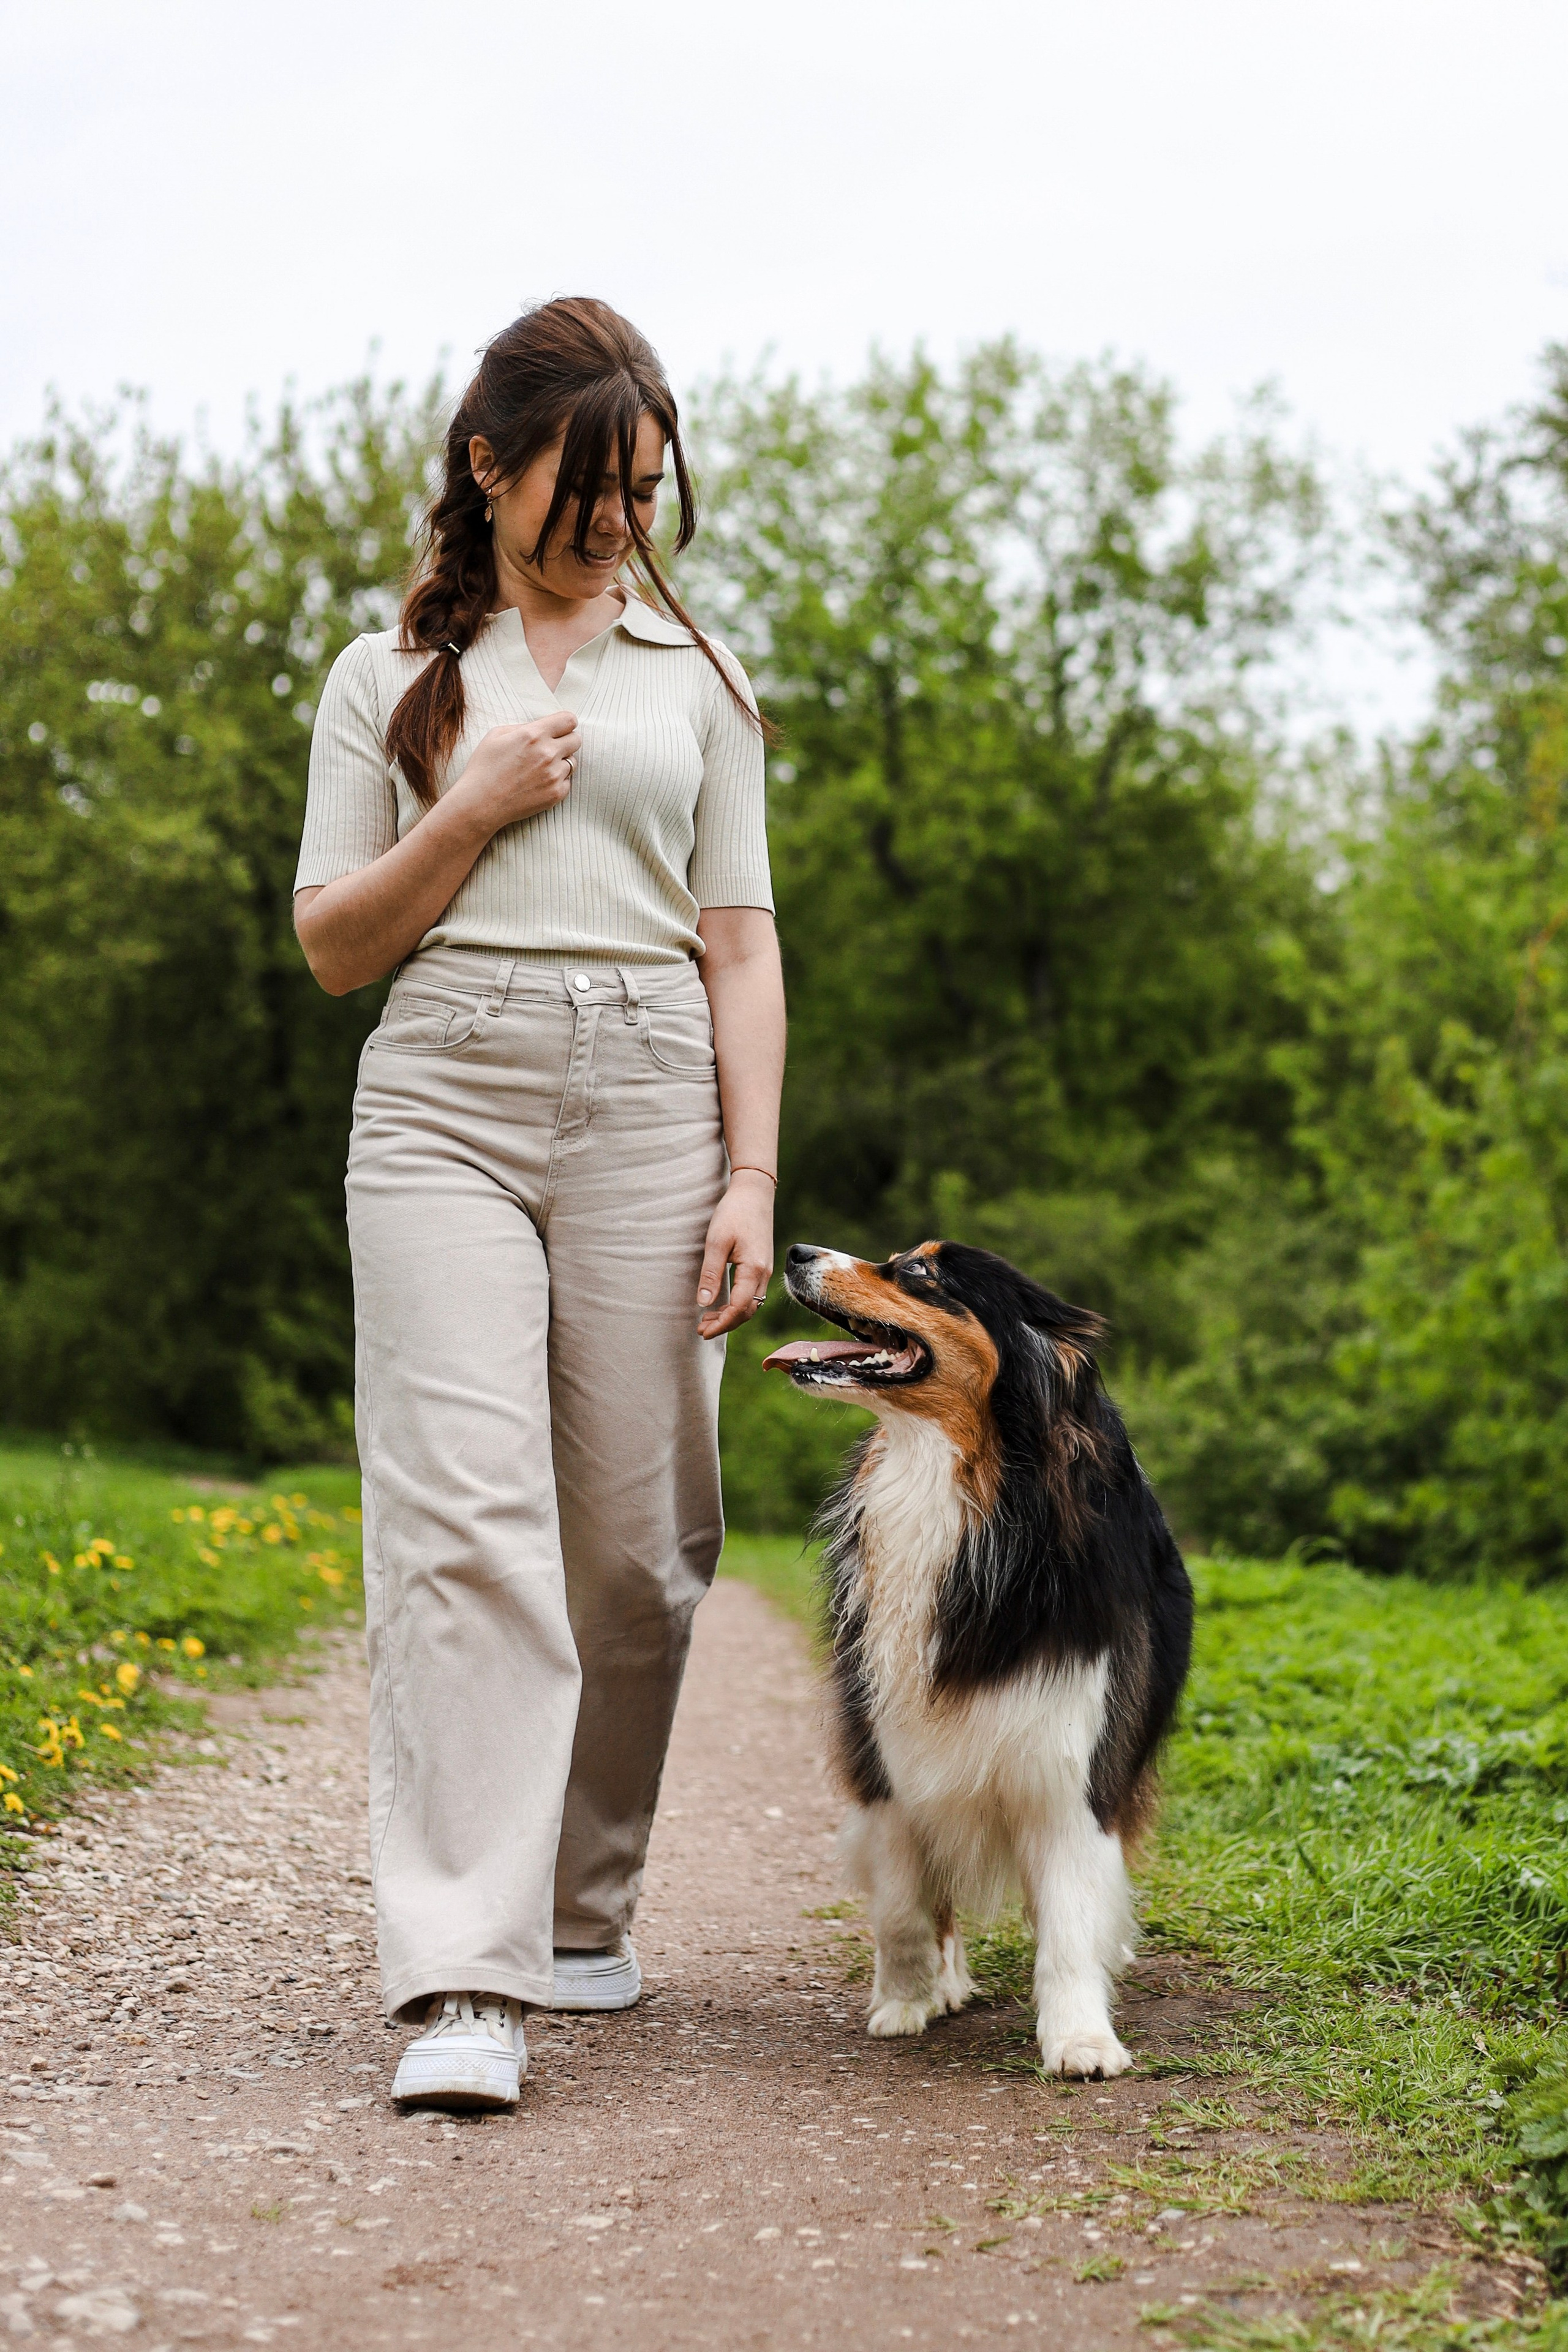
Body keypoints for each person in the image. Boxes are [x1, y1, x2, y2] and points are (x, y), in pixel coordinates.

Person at [292, 298, 784, 2109]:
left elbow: (742, 945)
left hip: (658, 1092)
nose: (611, 528)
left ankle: (585, 1912)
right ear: (486, 465)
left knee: (643, 1551)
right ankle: (465, 1981)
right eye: (581, 492)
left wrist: (751, 1174)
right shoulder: (386, 680)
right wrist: (470, 808)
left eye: (640, 495)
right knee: (465, 1526)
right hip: (443, 1098)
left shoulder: (704, 682)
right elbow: (334, 945)